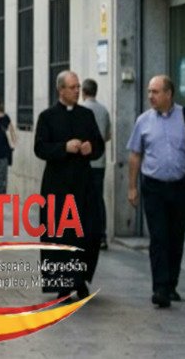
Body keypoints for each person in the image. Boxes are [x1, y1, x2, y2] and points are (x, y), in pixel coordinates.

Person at [127, 75, 185, 308]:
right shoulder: (143, 121)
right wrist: (132, 187)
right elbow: (134, 155)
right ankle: (160, 287)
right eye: (149, 91)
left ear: (169, 94)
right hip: (153, 186)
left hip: (181, 185)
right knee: (159, 237)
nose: (150, 96)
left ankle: (172, 284)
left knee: (175, 237)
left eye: (155, 92)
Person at [34, 70, 104, 301]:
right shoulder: (47, 117)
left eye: (78, 87)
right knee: (59, 235)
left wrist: (89, 149)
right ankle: (62, 283)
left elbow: (99, 145)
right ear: (61, 90)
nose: (77, 91)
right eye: (72, 87)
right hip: (57, 186)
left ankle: (80, 279)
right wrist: (64, 147)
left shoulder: (87, 115)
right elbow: (40, 148)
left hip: (83, 185)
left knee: (87, 233)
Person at [80, 78, 112, 250]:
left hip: (83, 163)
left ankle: (84, 235)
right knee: (98, 199)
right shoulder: (104, 111)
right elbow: (107, 136)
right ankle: (102, 236)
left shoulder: (81, 110)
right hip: (100, 162)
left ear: (83, 92)